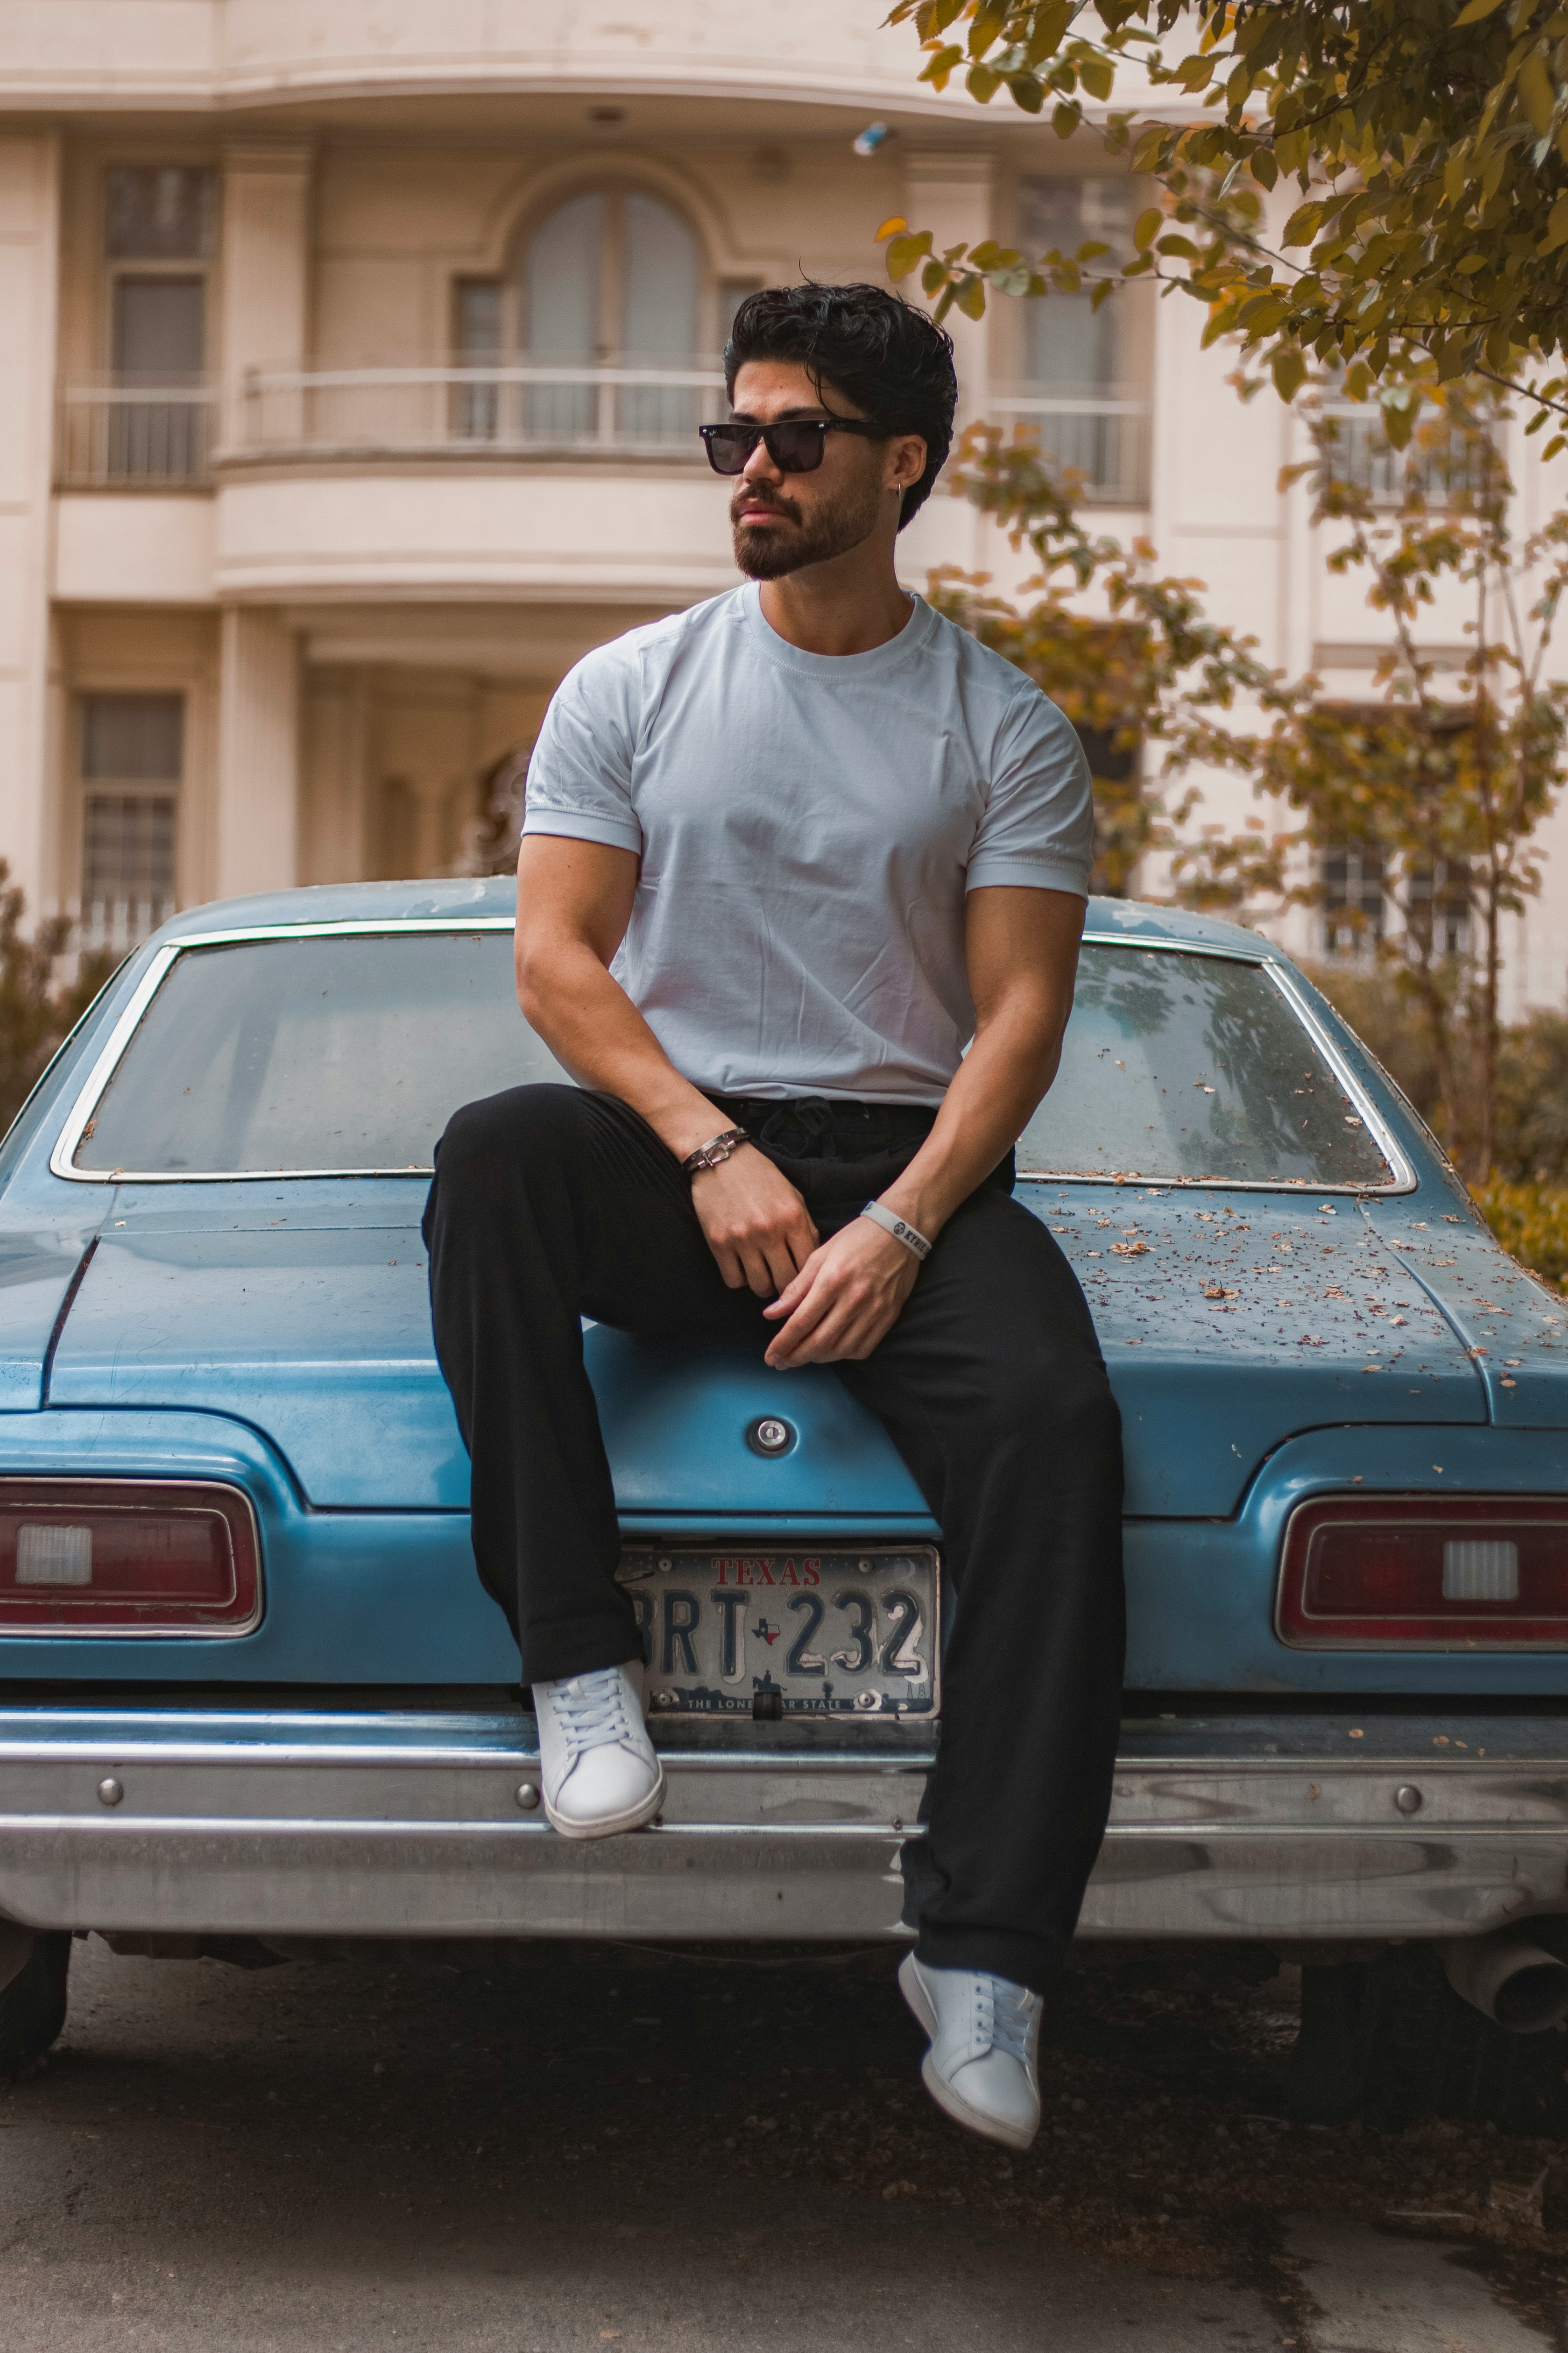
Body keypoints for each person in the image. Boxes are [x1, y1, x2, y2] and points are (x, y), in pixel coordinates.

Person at [423, 282, 1125, 2153]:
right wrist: (703, 1143)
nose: (749, 466)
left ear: (900, 467)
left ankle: (981, 1953)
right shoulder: (631, 688)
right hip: (674, 1151)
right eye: (729, 434)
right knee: (493, 1160)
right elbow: (556, 964)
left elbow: (1022, 1016)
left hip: (902, 1164)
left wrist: (897, 1227)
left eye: (791, 439)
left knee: (1058, 1423)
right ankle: (581, 1679)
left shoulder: (1004, 723)